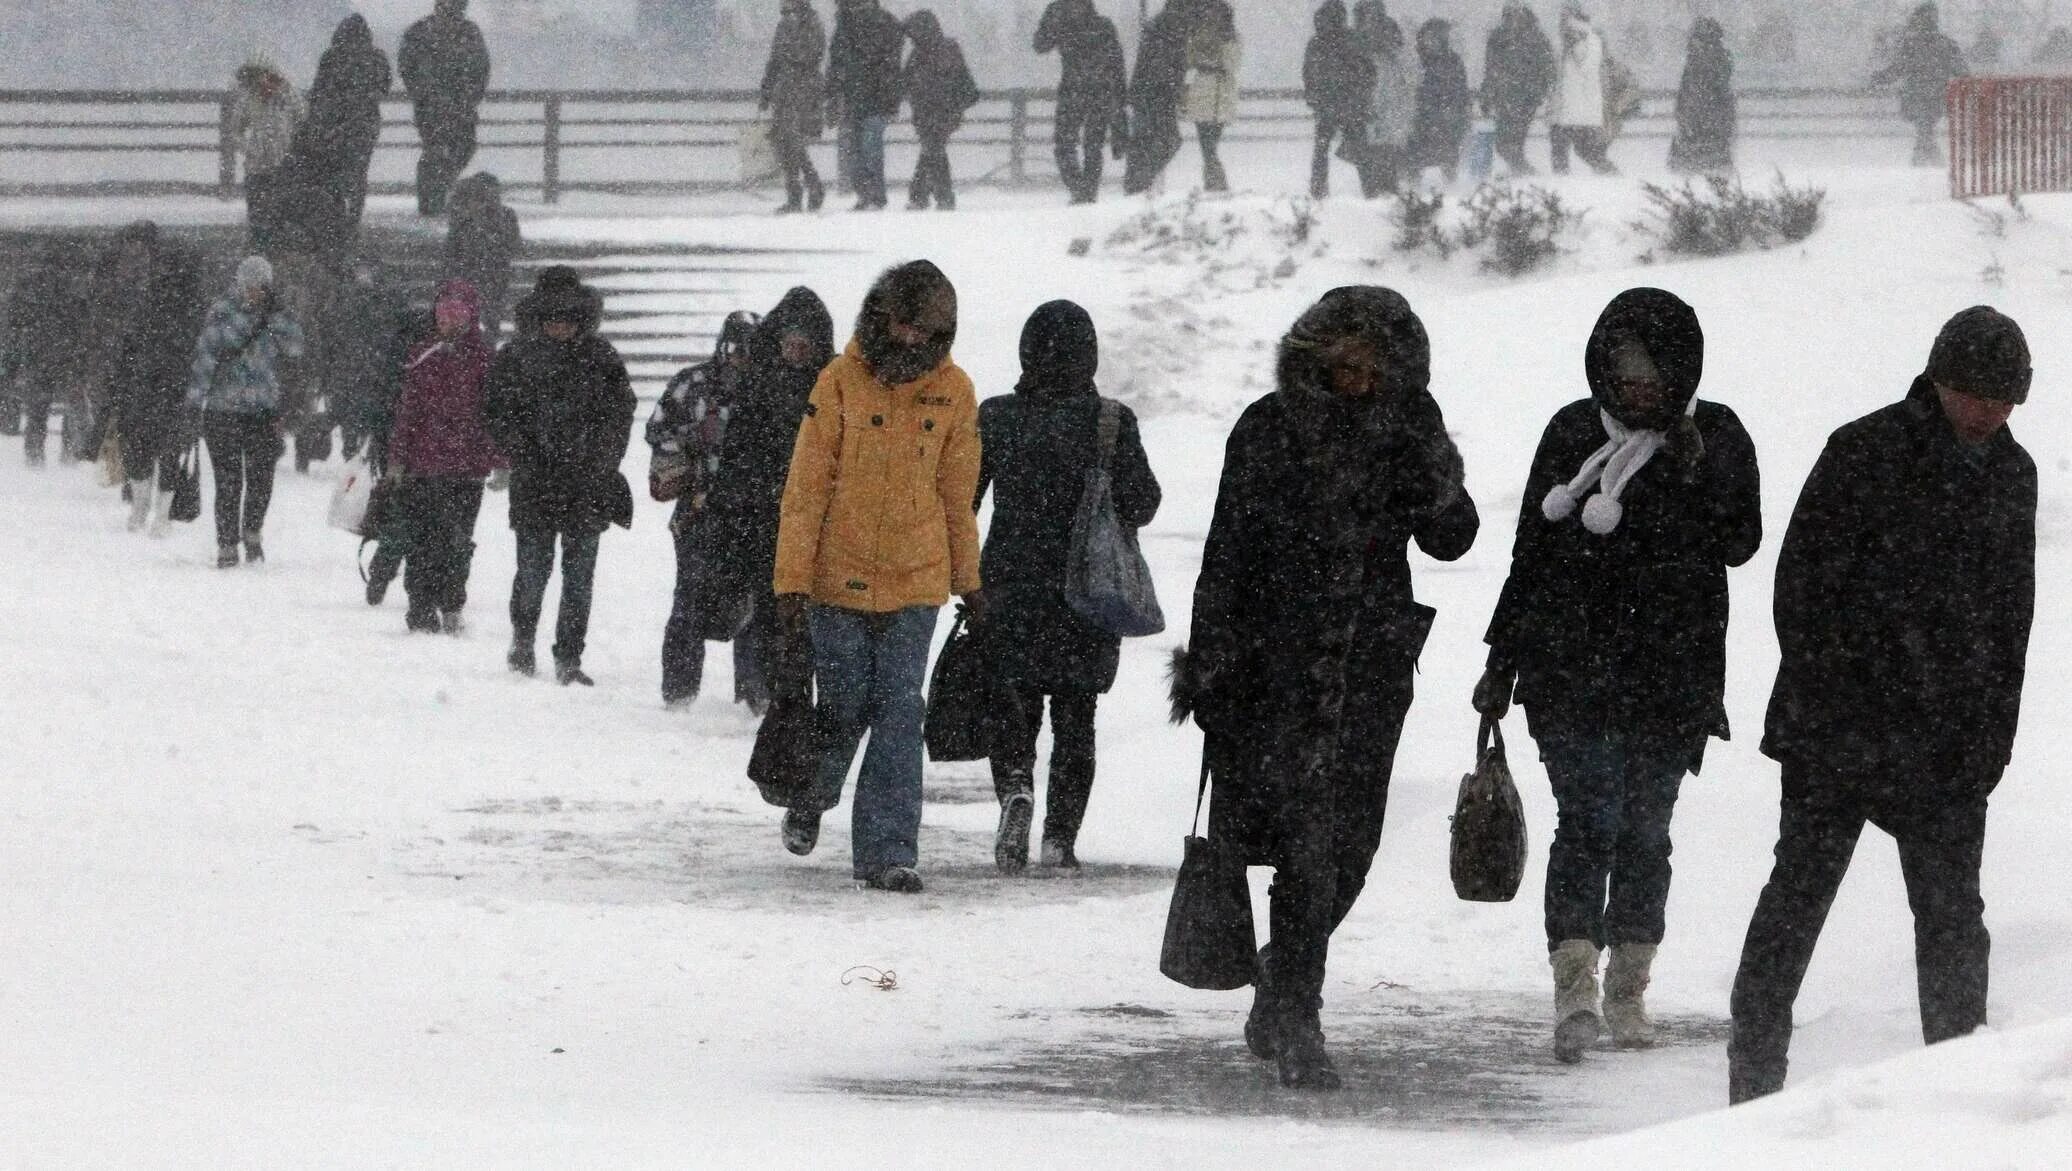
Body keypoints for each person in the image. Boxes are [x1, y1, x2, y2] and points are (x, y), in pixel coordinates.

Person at [1728, 308, 2035, 1105]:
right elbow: (1800, 591)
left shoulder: (2013, 473)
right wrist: (1843, 704)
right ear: (1938, 380)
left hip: (1946, 748)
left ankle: (1966, 1100)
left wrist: (1989, 741)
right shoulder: (1862, 450)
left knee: (1953, 929)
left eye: (2007, 400)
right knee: (1792, 911)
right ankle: (1751, 1101)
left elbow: (2011, 619)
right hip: (1837, 736)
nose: (1991, 414)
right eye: (1977, 395)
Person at [1173, 286, 1477, 1091]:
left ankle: (1281, 973)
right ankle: (1300, 1012)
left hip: (1370, 667)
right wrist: (1208, 666)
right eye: (1344, 354)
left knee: (1353, 847)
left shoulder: (1407, 425)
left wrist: (1431, 462)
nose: (1358, 371)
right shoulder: (1268, 428)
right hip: (1273, 667)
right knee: (1304, 843)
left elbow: (1454, 536)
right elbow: (1225, 552)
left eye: (1375, 358)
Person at [1474, 288, 1763, 1064]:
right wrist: (1501, 659)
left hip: (1671, 674)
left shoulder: (1716, 434)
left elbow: (1741, 542)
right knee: (1589, 819)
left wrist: (1698, 471)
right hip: (1571, 672)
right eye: (1624, 374)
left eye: (1651, 377)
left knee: (1644, 831)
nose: (1636, 390)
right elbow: (1530, 553)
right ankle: (1575, 987)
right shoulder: (1572, 431)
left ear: (1680, 374)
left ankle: (1630, 987)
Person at [772, 260, 983, 894]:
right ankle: (811, 794)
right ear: (885, 316)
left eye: (929, 328)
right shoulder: (837, 382)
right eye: (906, 323)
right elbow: (806, 489)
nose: (914, 338)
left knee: (898, 711)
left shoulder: (955, 392)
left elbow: (957, 495)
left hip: (916, 583)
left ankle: (889, 853)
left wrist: (968, 582)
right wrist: (791, 582)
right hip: (836, 579)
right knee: (843, 706)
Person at [975, 301, 1160, 872]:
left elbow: (963, 499)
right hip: (1087, 590)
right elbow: (1144, 502)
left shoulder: (997, 416)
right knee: (1076, 717)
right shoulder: (1111, 420)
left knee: (1015, 703)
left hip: (1008, 582)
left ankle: (1015, 790)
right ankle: (1060, 839)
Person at [483, 267, 636, 686]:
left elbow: (620, 413)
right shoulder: (516, 357)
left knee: (576, 577)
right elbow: (495, 410)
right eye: (552, 317)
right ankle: (524, 641)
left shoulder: (600, 358)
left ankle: (568, 655)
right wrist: (523, 447)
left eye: (567, 318)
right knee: (535, 572)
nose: (559, 325)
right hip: (537, 480)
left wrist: (601, 459)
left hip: (583, 483)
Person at [708, 288, 836, 715]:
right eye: (790, 339)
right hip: (763, 520)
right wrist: (733, 514)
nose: (797, 348)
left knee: (818, 616)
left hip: (820, 522)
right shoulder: (758, 390)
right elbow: (736, 460)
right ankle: (770, 697)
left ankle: (799, 697)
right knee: (768, 607)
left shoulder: (835, 392)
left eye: (806, 340)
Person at [648, 310, 761, 707]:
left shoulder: (770, 389)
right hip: (700, 511)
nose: (741, 358)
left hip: (755, 514)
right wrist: (691, 449)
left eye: (750, 350)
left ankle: (754, 695)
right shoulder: (693, 384)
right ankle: (679, 692)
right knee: (691, 600)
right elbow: (657, 429)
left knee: (755, 604)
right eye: (735, 349)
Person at [386, 279, 503, 634]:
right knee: (423, 539)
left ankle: (451, 602)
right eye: (443, 314)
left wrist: (497, 458)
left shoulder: (484, 359)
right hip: (425, 464)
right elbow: (408, 410)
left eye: (455, 315)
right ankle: (421, 605)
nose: (447, 322)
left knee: (456, 539)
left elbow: (494, 414)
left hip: (465, 466)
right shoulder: (423, 354)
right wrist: (397, 457)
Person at [186, 255, 306, 568]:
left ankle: (252, 531)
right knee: (228, 481)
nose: (255, 291)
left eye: (261, 286)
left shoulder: (276, 315)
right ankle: (227, 542)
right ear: (239, 284)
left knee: (261, 477)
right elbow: (205, 356)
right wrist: (195, 399)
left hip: (262, 408)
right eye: (250, 285)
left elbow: (296, 348)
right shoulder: (222, 312)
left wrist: (282, 314)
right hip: (223, 408)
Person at [104, 222, 204, 537]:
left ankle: (142, 508)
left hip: (146, 381)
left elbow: (130, 342)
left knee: (140, 446)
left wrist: (123, 377)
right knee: (169, 449)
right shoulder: (193, 303)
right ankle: (160, 514)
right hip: (175, 383)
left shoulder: (147, 298)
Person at [294, 14, 392, 232]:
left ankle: (336, 215)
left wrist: (319, 119)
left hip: (336, 125)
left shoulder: (332, 57)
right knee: (357, 172)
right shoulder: (376, 58)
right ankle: (352, 216)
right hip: (363, 125)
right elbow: (383, 88)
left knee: (334, 170)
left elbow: (319, 91)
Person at [400, 0, 492, 216]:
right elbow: (407, 66)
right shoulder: (422, 32)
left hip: (459, 105)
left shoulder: (468, 32)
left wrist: (470, 96)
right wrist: (423, 93)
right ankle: (432, 197)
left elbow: (482, 68)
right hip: (434, 106)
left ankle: (437, 191)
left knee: (462, 148)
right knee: (438, 150)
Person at [1035, 0, 1129, 204]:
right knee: (1083, 145)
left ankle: (1083, 190)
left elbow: (1040, 44)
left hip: (1079, 91)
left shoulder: (1075, 24)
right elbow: (1040, 45)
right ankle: (1084, 190)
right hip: (1091, 91)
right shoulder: (1097, 26)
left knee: (1080, 145)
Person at [826, 0, 906, 211]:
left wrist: (834, 90)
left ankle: (873, 195)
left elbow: (888, 65)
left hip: (869, 97)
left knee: (866, 149)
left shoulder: (854, 26)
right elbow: (836, 63)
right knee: (859, 150)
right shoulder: (852, 26)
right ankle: (868, 195)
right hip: (863, 97)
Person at [898, 11, 980, 212]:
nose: (912, 37)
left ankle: (936, 196)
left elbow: (906, 82)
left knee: (932, 152)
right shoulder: (941, 50)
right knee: (932, 153)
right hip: (935, 112)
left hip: (937, 112)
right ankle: (926, 196)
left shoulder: (932, 52)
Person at [1872, 3, 1967, 167]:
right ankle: (1930, 161)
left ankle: (1923, 161)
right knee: (1926, 128)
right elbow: (1961, 71)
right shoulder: (1944, 44)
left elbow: (1898, 68)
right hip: (1936, 96)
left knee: (1924, 128)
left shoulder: (1912, 45)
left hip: (1916, 96)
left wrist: (1879, 78)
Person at [228, 55, 307, 252]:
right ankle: (260, 251)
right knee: (257, 215)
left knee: (283, 213)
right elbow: (234, 131)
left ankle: (278, 253)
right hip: (257, 168)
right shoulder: (247, 99)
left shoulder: (288, 95)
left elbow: (303, 121)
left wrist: (293, 149)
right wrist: (250, 149)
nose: (262, 83)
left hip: (284, 166)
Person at [761, 0, 828, 214]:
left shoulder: (812, 24)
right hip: (785, 90)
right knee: (784, 143)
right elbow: (774, 59)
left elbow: (811, 55)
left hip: (804, 90)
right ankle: (802, 190)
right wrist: (767, 89)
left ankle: (805, 189)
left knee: (792, 140)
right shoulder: (784, 25)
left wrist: (790, 59)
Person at [1303, 1, 1373, 200]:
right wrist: (1362, 95)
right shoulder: (1353, 40)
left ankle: (1318, 190)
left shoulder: (1317, 43)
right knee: (1359, 150)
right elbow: (1368, 72)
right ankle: (1369, 189)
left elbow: (1308, 72)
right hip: (1349, 104)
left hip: (1329, 104)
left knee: (1322, 148)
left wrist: (1312, 94)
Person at [1123, 0, 1191, 195]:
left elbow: (1147, 63)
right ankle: (1140, 178)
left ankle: (1139, 179)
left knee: (1148, 139)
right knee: (1166, 139)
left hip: (1151, 93)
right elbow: (1164, 66)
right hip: (1158, 93)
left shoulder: (1159, 28)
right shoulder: (1169, 30)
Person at [444, 173, 521, 345]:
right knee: (469, 314)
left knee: (492, 314)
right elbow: (453, 247)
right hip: (470, 271)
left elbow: (513, 244)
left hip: (495, 271)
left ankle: (489, 346)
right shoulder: (464, 216)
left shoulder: (506, 215)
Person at [1482, 2, 1554, 177]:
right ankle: (1522, 172)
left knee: (1513, 142)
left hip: (1526, 99)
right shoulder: (1498, 37)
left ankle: (1522, 173)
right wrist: (1487, 95)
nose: (1514, 18)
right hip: (1504, 97)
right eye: (1510, 13)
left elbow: (1547, 68)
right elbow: (1490, 68)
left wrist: (1538, 91)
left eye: (1518, 13)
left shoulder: (1536, 37)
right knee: (1503, 144)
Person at [1357, 0, 1418, 196]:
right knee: (1373, 141)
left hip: (1386, 90)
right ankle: (1375, 185)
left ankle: (1388, 184)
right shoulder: (1360, 36)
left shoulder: (1387, 29)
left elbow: (1399, 53)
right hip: (1371, 91)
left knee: (1387, 140)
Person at [1550, 2, 1617, 175]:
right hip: (1561, 107)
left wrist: (1577, 44)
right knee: (1559, 151)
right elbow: (1555, 72)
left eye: (1566, 15)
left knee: (1586, 151)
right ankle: (1559, 186)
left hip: (1581, 107)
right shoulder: (1560, 40)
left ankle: (1613, 176)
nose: (1562, 19)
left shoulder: (1591, 39)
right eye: (1562, 15)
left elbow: (1588, 67)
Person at [1181, 0, 1241, 193]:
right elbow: (1189, 60)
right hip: (1202, 92)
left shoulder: (1231, 38)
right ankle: (1215, 182)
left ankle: (1215, 181)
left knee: (1210, 144)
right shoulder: (1196, 35)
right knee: (1206, 144)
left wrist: (1209, 60)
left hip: (1220, 93)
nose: (1211, 17)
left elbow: (1231, 64)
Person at [1669, 18, 1736, 174]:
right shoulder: (1710, 58)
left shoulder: (1708, 59)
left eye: (1696, 38)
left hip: (1704, 118)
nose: (1692, 42)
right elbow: (1687, 89)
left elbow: (1712, 88)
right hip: (1703, 118)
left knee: (1703, 156)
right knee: (1708, 157)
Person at [1410, 19, 1470, 186]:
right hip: (1420, 116)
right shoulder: (1415, 59)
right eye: (1428, 36)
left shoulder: (1453, 60)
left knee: (1447, 156)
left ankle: (1452, 191)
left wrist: (1457, 110)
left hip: (1445, 117)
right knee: (1414, 157)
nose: (1431, 41)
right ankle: (1411, 191)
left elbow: (1460, 89)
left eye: (1436, 36)